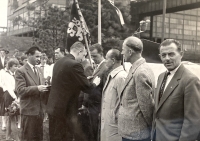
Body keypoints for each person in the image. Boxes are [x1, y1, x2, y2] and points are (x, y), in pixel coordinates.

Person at [46, 41, 100, 141]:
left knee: (54, 137)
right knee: (65, 137)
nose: (82, 58)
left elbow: (67, 82)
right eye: (83, 55)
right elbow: (87, 88)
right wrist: (95, 82)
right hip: (65, 111)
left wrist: (84, 80)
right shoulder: (75, 65)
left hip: (53, 108)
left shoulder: (59, 62)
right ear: (79, 51)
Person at [151, 39, 200, 141]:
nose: (167, 58)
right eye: (163, 55)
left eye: (171, 54)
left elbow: (192, 121)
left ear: (181, 54)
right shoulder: (160, 77)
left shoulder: (190, 81)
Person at [118, 36, 155, 141]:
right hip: (133, 132)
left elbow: (147, 106)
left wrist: (148, 129)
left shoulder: (140, 72)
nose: (121, 53)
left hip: (136, 134)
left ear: (130, 52)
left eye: (123, 49)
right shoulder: (137, 68)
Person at [15, 46, 49, 141]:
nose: (39, 59)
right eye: (37, 57)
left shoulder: (39, 70)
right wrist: (37, 88)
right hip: (29, 111)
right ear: (29, 55)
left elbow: (41, 87)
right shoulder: (21, 71)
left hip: (40, 111)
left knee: (39, 137)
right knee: (28, 138)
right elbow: (20, 90)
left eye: (40, 57)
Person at [81, 43, 109, 141]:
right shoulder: (98, 67)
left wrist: (102, 110)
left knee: (96, 134)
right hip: (92, 107)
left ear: (102, 54)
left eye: (95, 56)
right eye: (92, 56)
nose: (93, 58)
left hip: (97, 108)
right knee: (92, 133)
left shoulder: (105, 68)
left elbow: (106, 91)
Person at [100, 49, 127, 141]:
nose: (105, 61)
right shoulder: (112, 75)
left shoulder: (121, 77)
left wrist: (115, 117)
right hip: (109, 126)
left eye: (106, 59)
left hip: (115, 128)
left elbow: (124, 103)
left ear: (113, 60)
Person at [2, 58, 19, 140]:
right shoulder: (6, 75)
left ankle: (8, 137)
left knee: (10, 117)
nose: (17, 67)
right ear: (10, 66)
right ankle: (16, 138)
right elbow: (9, 88)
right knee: (12, 117)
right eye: (15, 66)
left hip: (13, 95)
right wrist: (16, 98)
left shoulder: (14, 74)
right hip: (9, 96)